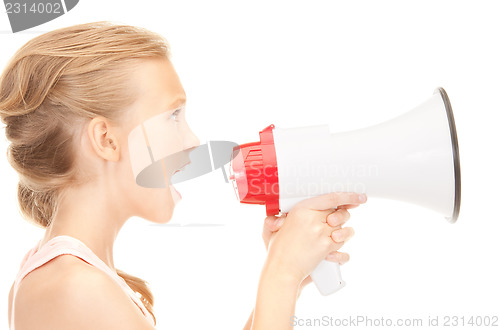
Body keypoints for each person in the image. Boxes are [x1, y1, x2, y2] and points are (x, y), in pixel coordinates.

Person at [0, 21, 367, 329]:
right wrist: (281, 275)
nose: (192, 140)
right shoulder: (74, 286)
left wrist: (287, 277)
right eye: (173, 115)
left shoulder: (71, 275)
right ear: (107, 140)